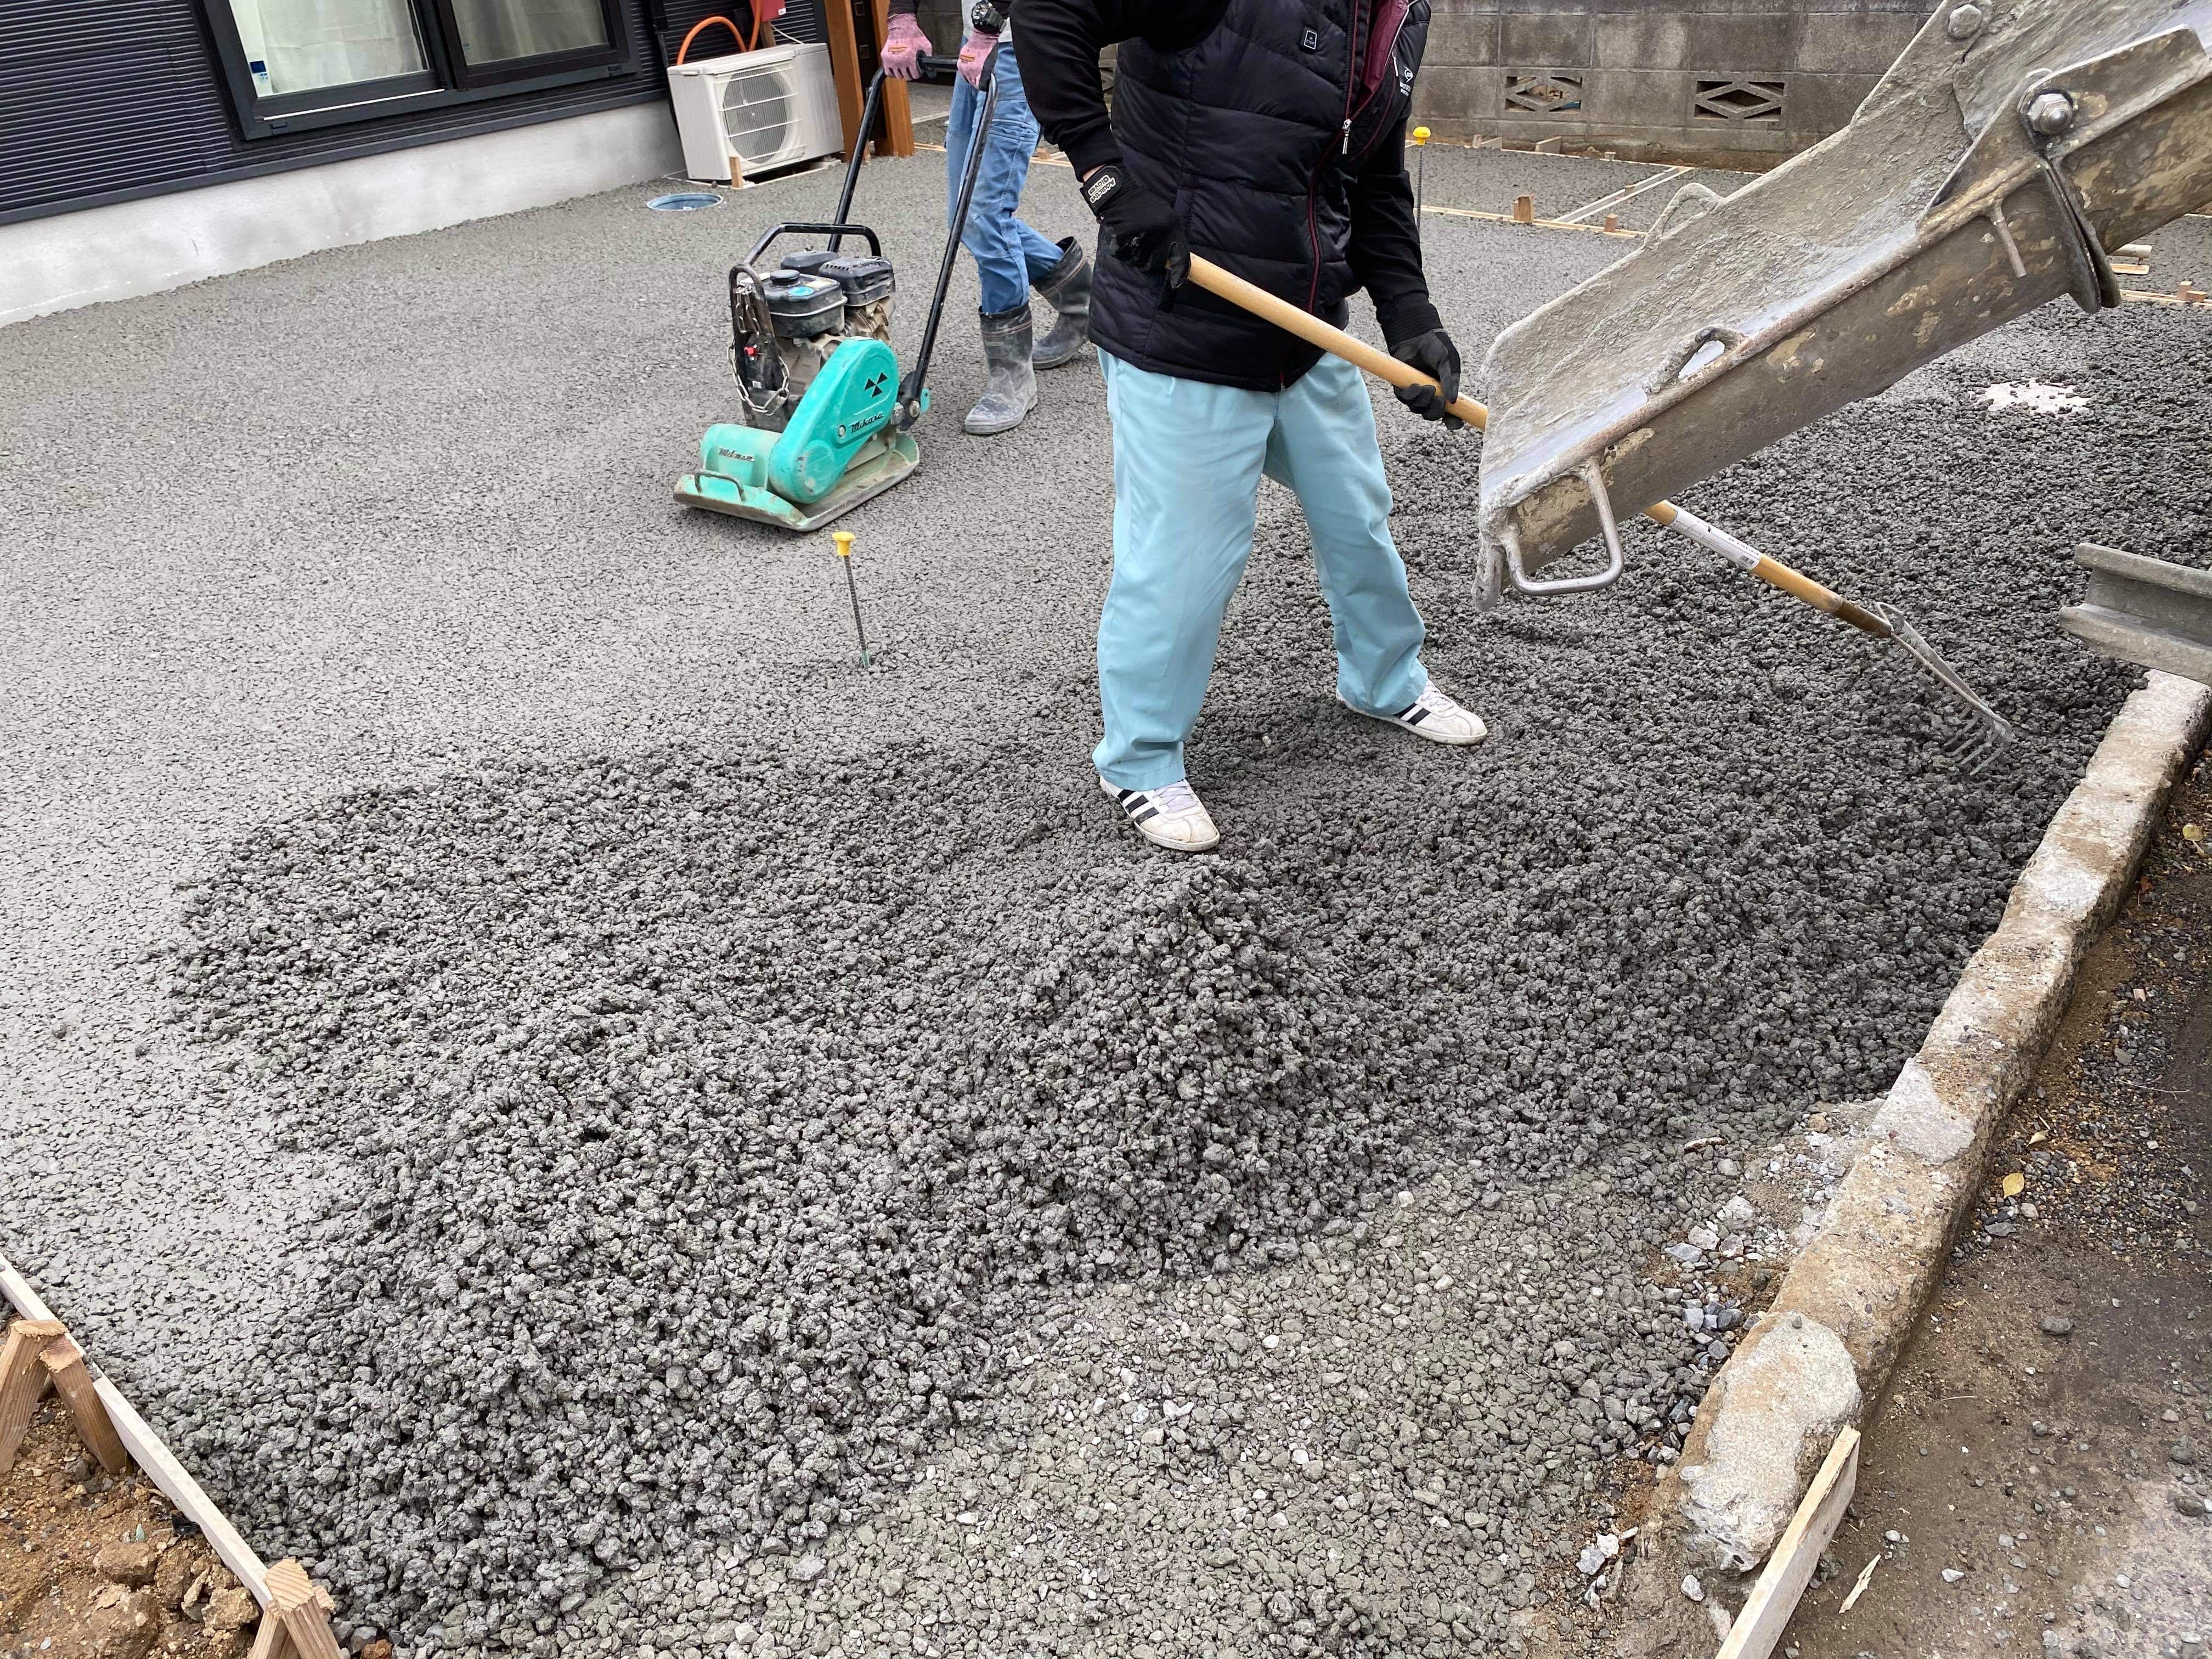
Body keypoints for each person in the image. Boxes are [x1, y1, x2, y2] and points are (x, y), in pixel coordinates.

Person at [1014, 0, 1485, 853]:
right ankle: (1141, 759)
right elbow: (1048, 14)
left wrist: (1411, 315)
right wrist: (1109, 178)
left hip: (1305, 330)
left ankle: (1385, 681)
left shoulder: (1399, 18)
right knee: (1187, 560)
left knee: (1359, 517)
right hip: (1181, 325)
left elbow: (1372, 174)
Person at [882, 0, 1094, 435]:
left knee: (984, 216)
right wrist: (901, 18)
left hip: (1024, 43)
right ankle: (1082, 300)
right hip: (976, 40)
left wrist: (991, 23)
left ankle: (1012, 376)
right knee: (967, 217)